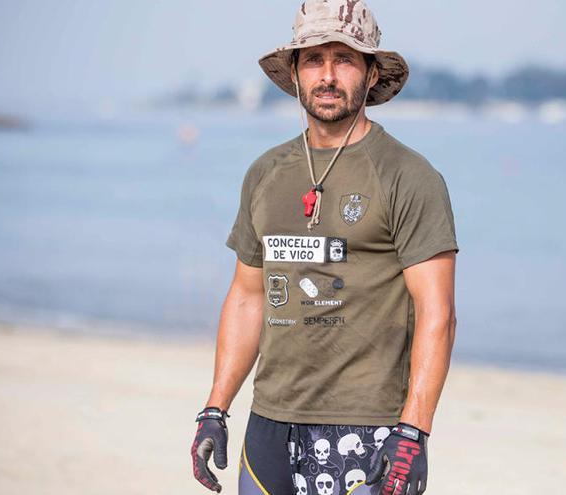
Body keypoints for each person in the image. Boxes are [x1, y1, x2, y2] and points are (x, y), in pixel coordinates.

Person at [190, 1, 458, 494]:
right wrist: (215, 408)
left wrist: (414, 431)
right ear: (294, 72)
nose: (328, 75)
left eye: (345, 59)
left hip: (371, 428)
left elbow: (437, 314)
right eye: (314, 59)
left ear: (372, 73)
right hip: (270, 422)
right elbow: (248, 297)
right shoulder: (266, 174)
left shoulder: (408, 176)